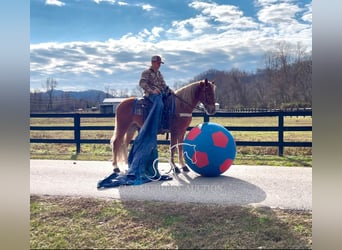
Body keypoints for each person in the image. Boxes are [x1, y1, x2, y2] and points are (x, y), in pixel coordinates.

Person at [139, 55, 172, 133]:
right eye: (158, 63)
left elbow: (163, 84)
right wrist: (151, 91)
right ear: (152, 63)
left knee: (171, 101)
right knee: (159, 104)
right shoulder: (146, 72)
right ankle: (156, 126)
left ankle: (166, 124)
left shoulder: (159, 73)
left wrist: (170, 90)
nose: (159, 65)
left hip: (160, 92)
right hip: (150, 94)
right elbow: (142, 83)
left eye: (160, 63)